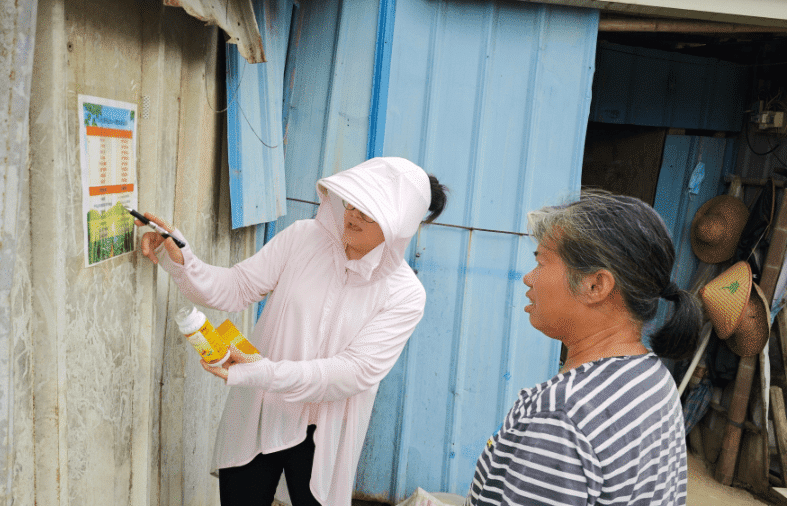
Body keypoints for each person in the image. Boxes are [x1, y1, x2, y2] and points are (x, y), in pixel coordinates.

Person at [135, 157, 448, 506]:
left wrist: (264, 372)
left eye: (369, 211)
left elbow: (353, 372)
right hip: (260, 411)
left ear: (397, 226)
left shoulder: (404, 294)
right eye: (353, 202)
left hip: (324, 432)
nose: (354, 215)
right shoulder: (303, 238)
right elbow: (237, 287)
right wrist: (183, 261)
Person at [465, 191, 701, 506]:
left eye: (541, 262)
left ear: (595, 286)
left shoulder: (561, 415)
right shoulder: (651, 376)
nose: (528, 278)